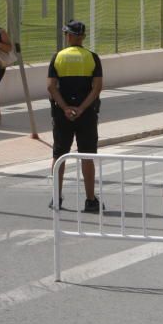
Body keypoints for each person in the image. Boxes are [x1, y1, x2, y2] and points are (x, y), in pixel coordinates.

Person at [47, 20, 104, 213]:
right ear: (83, 37)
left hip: (62, 115)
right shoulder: (92, 58)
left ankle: (56, 198)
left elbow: (51, 87)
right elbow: (97, 88)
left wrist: (65, 108)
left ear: (69, 36)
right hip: (86, 114)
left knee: (59, 155)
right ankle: (90, 200)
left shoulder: (58, 57)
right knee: (86, 156)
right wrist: (81, 108)